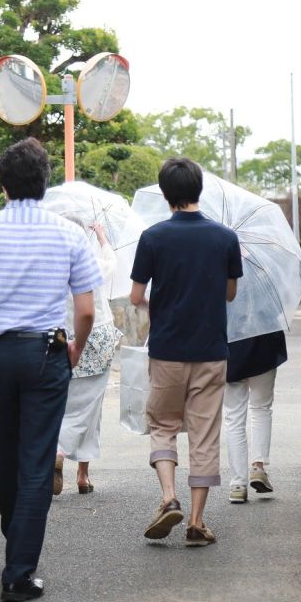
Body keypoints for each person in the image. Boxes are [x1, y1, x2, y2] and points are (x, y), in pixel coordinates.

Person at [0, 138, 102, 602]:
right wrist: (75, 349)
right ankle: (18, 573)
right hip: (46, 353)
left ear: (3, 185)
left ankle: (16, 550)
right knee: (35, 463)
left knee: (9, 458)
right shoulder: (69, 234)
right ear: (45, 181)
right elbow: (87, 310)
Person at [129, 157, 243, 547]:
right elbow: (230, 293)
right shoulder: (226, 238)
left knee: (163, 425)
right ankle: (196, 521)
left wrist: (160, 304)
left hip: (166, 351)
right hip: (211, 351)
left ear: (165, 194)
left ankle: (167, 498)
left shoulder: (153, 237)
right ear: (199, 190)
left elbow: (135, 296)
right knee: (204, 435)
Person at [55, 220, 122, 495]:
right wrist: (102, 236)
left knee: (64, 406)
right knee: (90, 408)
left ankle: (59, 451)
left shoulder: (52, 267)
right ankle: (77, 469)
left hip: (64, 340)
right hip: (98, 337)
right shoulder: (94, 261)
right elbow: (112, 261)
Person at [223, 331, 287, 503]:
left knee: (234, 417)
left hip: (231, 346)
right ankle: (258, 467)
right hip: (263, 344)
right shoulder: (266, 302)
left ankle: (238, 484)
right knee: (261, 409)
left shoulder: (225, 302)